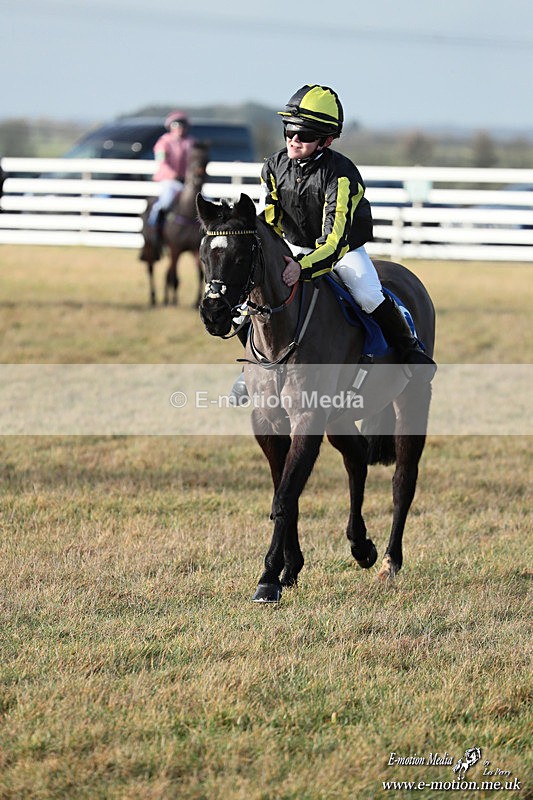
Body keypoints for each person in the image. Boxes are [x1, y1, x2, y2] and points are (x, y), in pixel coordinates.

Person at [259, 84, 436, 380]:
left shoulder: (341, 175)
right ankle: (252, 369)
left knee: (367, 294)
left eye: (305, 135)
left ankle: (409, 349)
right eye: (289, 130)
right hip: (294, 247)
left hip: (342, 251)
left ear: (326, 140)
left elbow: (334, 239)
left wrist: (301, 268)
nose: (294, 140)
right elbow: (271, 220)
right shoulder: (273, 167)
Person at [147, 111, 195, 230]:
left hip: (187, 181)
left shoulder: (191, 142)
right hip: (168, 180)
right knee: (166, 201)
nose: (180, 128)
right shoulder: (164, 142)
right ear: (171, 126)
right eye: (176, 125)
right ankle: (154, 226)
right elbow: (162, 163)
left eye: (182, 125)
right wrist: (173, 175)